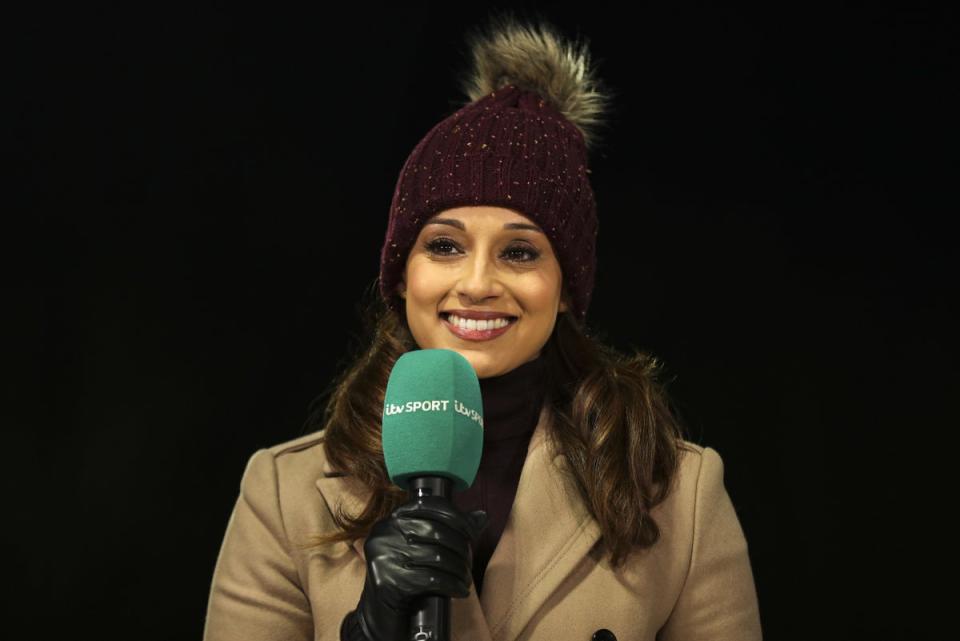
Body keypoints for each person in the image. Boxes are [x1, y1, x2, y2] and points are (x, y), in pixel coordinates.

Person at [203, 12, 762, 641]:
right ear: (401, 275)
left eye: (520, 252)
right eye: (443, 246)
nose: (475, 282)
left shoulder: (680, 492)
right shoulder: (284, 492)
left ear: (567, 286)